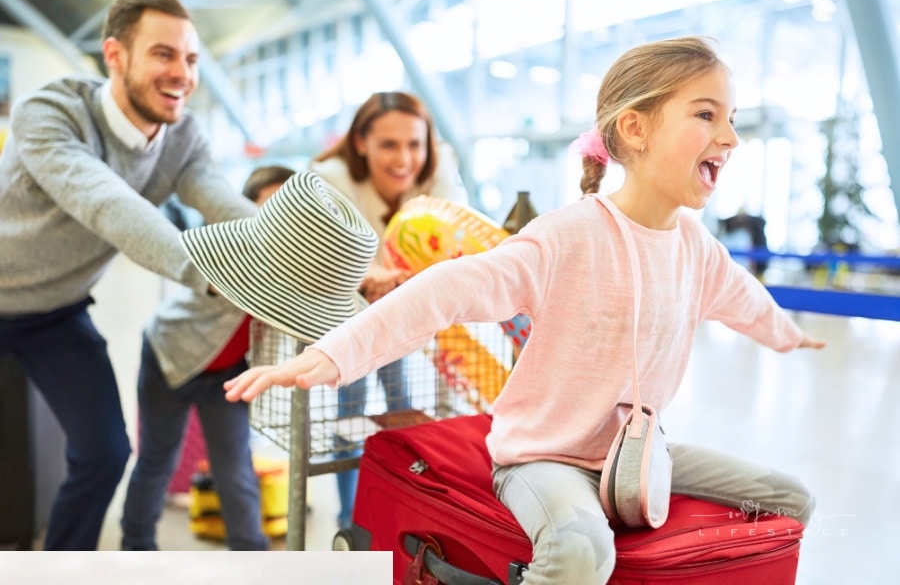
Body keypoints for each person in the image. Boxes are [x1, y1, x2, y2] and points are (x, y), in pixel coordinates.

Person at [224, 36, 826, 583]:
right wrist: (327, 357)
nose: (731, 137)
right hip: (543, 457)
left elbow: (745, 299)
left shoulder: (699, 249)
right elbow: (442, 291)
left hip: (633, 454)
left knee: (789, 499)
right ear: (636, 129)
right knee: (581, 549)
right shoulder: (566, 238)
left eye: (732, 119)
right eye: (706, 114)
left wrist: (787, 335)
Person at [0, 0, 258, 550]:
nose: (182, 74)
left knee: (106, 454)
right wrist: (217, 272)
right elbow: (108, 204)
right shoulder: (50, 112)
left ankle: (64, 569)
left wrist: (294, 254)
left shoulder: (183, 137)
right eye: (163, 54)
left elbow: (225, 203)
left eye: (191, 59)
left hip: (55, 314)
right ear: (115, 55)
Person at [309, 91, 468, 529]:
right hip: (350, 314)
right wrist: (369, 276)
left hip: (406, 314)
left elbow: (458, 229)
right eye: (389, 145)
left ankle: (393, 512)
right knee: (351, 409)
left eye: (414, 144)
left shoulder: (438, 169)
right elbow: (324, 252)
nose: (404, 159)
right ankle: (350, 517)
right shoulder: (330, 178)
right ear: (361, 142)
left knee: (403, 409)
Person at [119, 165, 295, 551]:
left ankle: (251, 556)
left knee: (234, 468)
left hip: (228, 373)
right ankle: (135, 547)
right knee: (157, 459)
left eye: (288, 211)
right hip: (170, 357)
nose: (277, 222)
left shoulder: (292, 268)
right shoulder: (229, 250)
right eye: (267, 210)